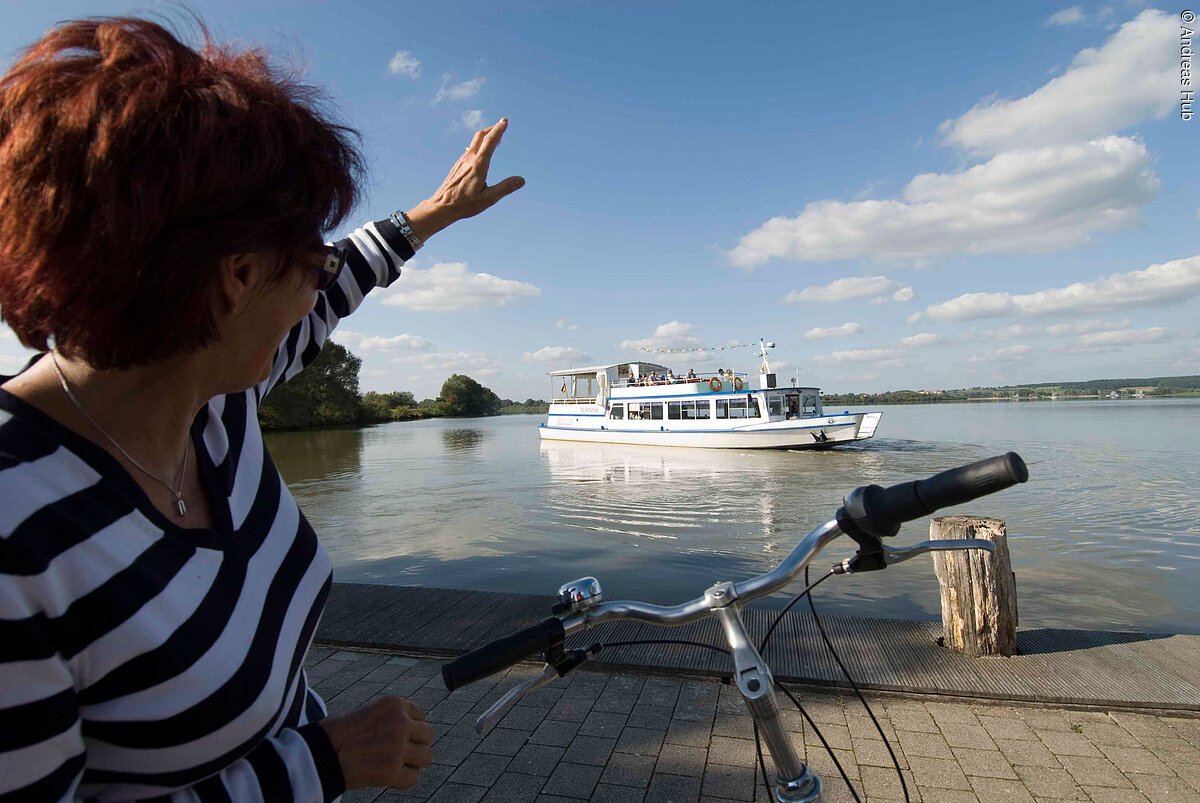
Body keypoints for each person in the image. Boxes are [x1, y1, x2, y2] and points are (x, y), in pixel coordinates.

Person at [0, 17, 524, 802]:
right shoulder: (17, 534)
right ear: (238, 278)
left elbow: (343, 281)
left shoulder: (209, 395)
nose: (321, 281)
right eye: (308, 258)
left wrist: (437, 212)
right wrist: (323, 761)